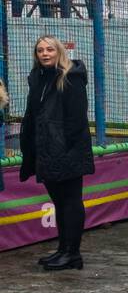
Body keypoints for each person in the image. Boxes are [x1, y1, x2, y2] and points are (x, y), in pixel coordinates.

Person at [19, 35, 93, 271]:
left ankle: (73, 253)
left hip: (67, 150)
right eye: (40, 50)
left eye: (50, 49)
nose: (45, 54)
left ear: (59, 51)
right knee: (59, 202)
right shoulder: (38, 79)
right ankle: (63, 248)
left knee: (71, 201)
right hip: (46, 150)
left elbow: (76, 119)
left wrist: (68, 151)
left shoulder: (71, 78)